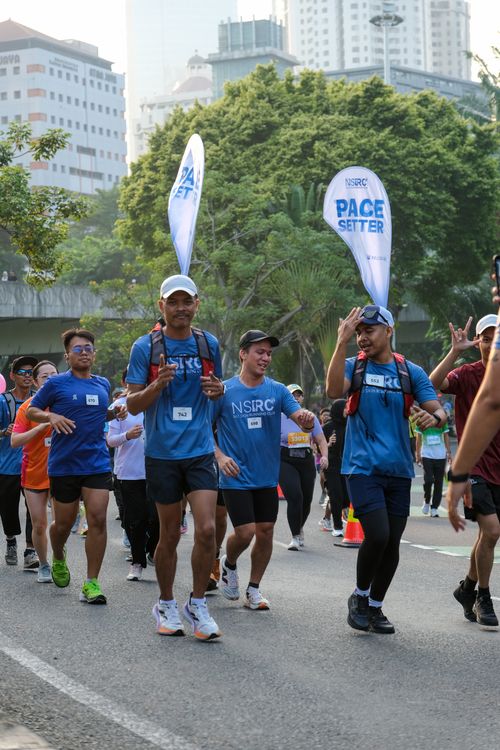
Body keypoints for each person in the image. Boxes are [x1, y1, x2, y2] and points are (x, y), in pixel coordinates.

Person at [326, 305, 446, 634]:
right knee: (377, 534)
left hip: (399, 470)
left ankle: (376, 606)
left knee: (392, 542)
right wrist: (341, 342)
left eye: (369, 330)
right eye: (359, 332)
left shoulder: (410, 372)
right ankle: (359, 596)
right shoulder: (354, 366)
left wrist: (433, 417)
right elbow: (334, 391)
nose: (362, 337)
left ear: (388, 331)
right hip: (362, 467)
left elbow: (439, 411)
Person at [126, 274, 225, 640]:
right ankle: (166, 604)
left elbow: (216, 390)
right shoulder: (145, 347)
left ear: (197, 304)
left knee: (207, 529)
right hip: (162, 453)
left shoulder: (208, 343)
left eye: (187, 301)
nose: (180, 308)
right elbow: (132, 404)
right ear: (162, 305)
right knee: (168, 533)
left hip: (199, 450)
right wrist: (158, 384)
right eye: (173, 302)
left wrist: (217, 390)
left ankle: (197, 604)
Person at [213, 330, 315, 610]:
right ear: (243, 354)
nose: (266, 358)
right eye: (260, 352)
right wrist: (220, 457)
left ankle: (254, 589)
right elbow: (203, 430)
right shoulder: (224, 391)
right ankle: (229, 563)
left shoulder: (278, 390)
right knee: (245, 532)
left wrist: (306, 420)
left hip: (267, 475)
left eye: (269, 353)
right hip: (235, 475)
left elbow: (300, 418)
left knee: (266, 530)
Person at [27, 329, 127, 604]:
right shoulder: (56, 384)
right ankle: (58, 555)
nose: (84, 353)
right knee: (63, 524)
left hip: (96, 463)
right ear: (67, 355)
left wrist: (114, 413)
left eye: (88, 349)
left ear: (94, 354)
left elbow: (98, 414)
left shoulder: (102, 384)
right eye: (78, 349)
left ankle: (91, 582)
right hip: (64, 465)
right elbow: (32, 410)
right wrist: (51, 417)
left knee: (97, 519)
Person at [430, 313, 500, 628]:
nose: (491, 344)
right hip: (475, 466)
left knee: (488, 535)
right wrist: (454, 351)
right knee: (492, 531)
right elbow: (431, 385)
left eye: (496, 339)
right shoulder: (468, 374)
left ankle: (467, 588)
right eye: (486, 339)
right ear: (478, 343)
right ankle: (483, 596)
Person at [11, 361, 58, 583]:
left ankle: (59, 560)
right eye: (45, 376)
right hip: (34, 472)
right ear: (37, 382)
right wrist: (41, 426)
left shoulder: (66, 402)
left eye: (54, 375)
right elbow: (15, 441)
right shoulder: (27, 408)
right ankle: (44, 565)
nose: (50, 379)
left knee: (61, 524)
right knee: (39, 524)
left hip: (61, 472)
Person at [107, 378, 148, 582]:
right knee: (133, 521)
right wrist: (127, 435)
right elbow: (110, 440)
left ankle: (150, 548)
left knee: (157, 519)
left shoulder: (159, 402)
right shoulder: (119, 405)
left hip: (158, 470)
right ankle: (137, 562)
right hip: (129, 473)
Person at [0, 355, 39, 570]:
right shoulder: (2, 401)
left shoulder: (40, 400)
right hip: (7, 465)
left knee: (34, 509)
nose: (27, 376)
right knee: (7, 508)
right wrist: (2, 432)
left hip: (34, 464)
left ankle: (30, 550)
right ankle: (10, 540)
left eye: (31, 373)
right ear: (12, 376)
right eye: (22, 372)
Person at [279, 384, 328, 550]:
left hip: (305, 459)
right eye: (292, 395)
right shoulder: (278, 417)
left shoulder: (309, 417)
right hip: (285, 459)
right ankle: (294, 536)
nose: (295, 398)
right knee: (295, 496)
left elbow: (321, 440)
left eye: (298, 395)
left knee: (306, 500)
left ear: (302, 398)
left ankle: (299, 528)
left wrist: (325, 456)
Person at [322, 399, 350, 537]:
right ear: (338, 409)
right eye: (345, 407)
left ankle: (330, 513)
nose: (347, 410)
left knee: (347, 497)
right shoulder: (328, 427)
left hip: (348, 466)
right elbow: (318, 448)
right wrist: (328, 444)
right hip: (332, 465)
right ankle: (337, 527)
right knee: (336, 495)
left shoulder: (351, 425)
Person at [415, 421, 451, 517]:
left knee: (439, 482)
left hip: (440, 455)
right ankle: (427, 501)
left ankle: (434, 507)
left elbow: (446, 435)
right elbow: (418, 437)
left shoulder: (442, 419)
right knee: (428, 480)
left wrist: (448, 452)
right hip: (426, 454)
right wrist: (417, 454)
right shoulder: (422, 419)